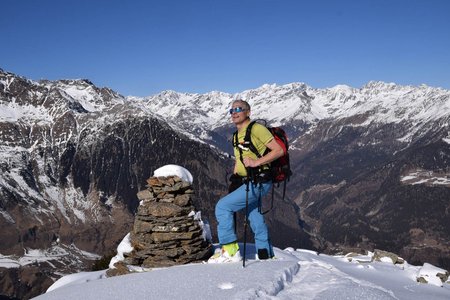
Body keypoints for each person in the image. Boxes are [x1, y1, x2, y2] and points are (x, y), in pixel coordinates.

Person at [208, 99, 284, 263]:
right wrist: (236, 177)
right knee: (254, 216)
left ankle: (229, 251)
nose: (234, 112)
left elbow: (279, 151)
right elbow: (240, 158)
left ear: (248, 112)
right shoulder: (236, 135)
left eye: (239, 109)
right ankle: (265, 253)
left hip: (259, 181)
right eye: (232, 110)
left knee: (222, 207)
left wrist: (256, 163)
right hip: (245, 181)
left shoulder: (257, 129)